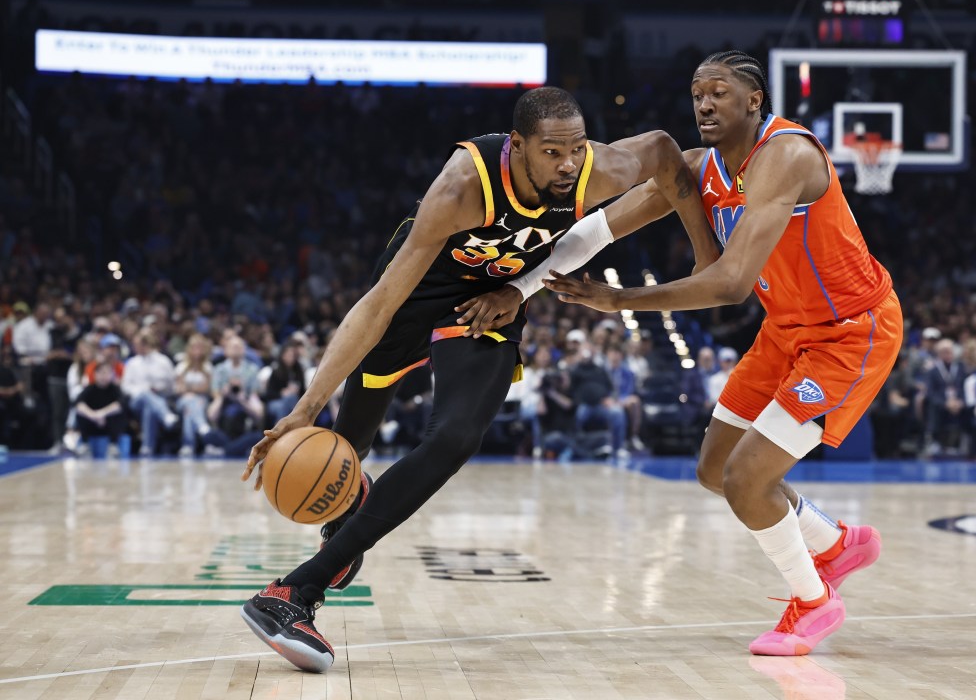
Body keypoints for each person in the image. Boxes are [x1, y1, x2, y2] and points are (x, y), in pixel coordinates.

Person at [238, 86, 718, 672]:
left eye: (576, 148)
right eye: (551, 153)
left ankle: (293, 593)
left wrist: (705, 253)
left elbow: (669, 154)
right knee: (349, 444)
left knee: (456, 437)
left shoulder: (595, 168)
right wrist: (306, 408)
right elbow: (379, 302)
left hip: (490, 302)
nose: (568, 165)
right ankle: (348, 510)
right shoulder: (463, 187)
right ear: (517, 146)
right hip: (417, 294)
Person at [475, 52, 902, 656]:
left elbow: (730, 284)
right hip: (786, 329)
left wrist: (620, 298)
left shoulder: (787, 156)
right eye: (698, 93)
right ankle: (835, 544)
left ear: (754, 101)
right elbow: (600, 231)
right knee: (714, 471)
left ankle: (814, 600)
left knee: (748, 479)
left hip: (849, 333)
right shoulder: (698, 167)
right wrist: (515, 288)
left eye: (720, 93)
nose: (704, 103)